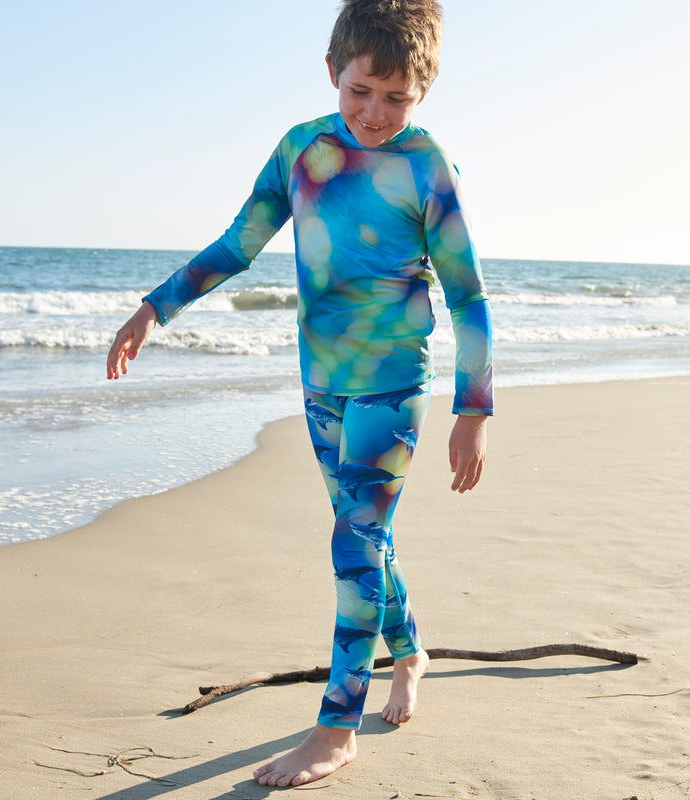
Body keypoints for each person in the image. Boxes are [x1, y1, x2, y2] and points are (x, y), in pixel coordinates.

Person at [106, 0, 492, 787]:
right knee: (366, 542)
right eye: (361, 91)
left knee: (353, 544)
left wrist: (473, 409)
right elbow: (238, 243)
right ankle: (410, 653)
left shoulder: (427, 167)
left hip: (393, 383)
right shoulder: (302, 151)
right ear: (332, 72)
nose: (376, 113)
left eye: (397, 98)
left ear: (421, 94)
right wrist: (155, 307)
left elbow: (468, 297)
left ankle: (335, 728)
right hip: (322, 384)